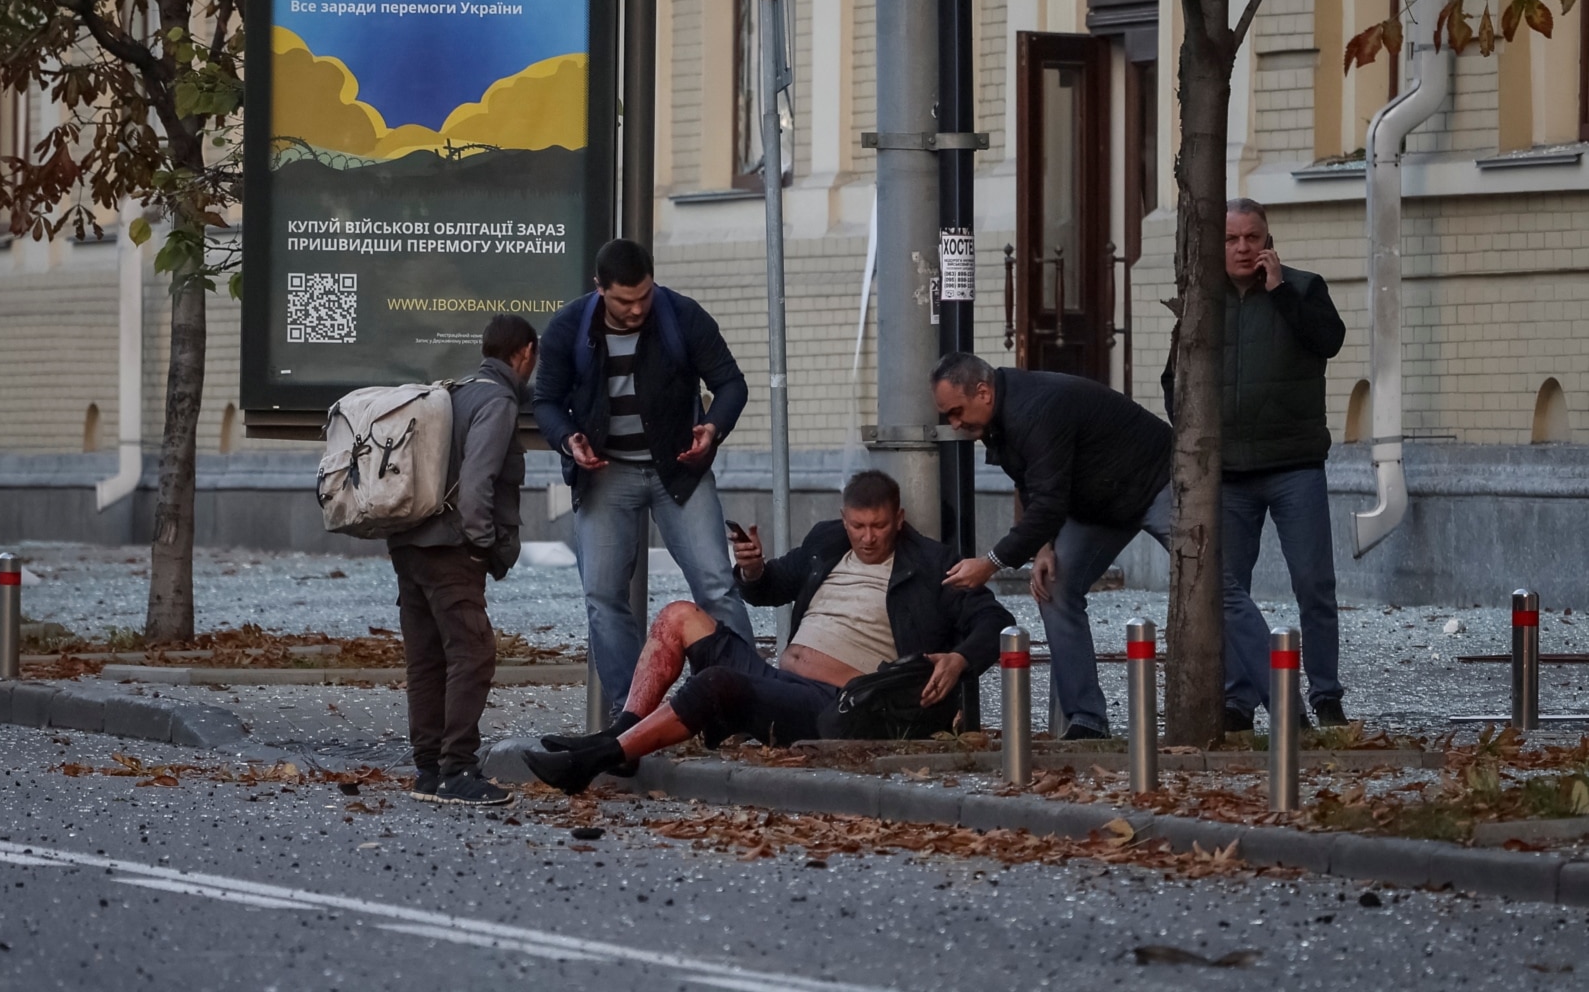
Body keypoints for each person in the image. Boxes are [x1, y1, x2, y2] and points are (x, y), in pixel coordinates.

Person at [524, 470, 1014, 794]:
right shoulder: (828, 541)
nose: (868, 537)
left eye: (879, 526)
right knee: (678, 614)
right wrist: (753, 569)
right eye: (858, 525)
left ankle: (598, 758)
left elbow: (993, 620)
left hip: (834, 703)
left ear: (899, 518)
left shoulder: (931, 564)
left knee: (715, 684)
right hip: (779, 679)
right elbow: (770, 587)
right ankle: (621, 738)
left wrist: (959, 660)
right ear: (844, 519)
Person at [931, 352, 1273, 739]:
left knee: (1216, 588)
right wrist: (1043, 547)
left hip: (1156, 481)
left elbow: (1048, 504)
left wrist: (991, 562)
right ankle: (1087, 721)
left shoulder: (1035, 409)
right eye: (947, 417)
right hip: (1100, 504)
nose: (954, 424)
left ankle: (1287, 711)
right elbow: (1032, 484)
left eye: (956, 412)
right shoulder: (998, 420)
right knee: (1054, 587)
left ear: (983, 392)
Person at [533, 238, 754, 719]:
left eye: (644, 296)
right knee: (602, 594)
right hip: (605, 472)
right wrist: (569, 440)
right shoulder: (569, 327)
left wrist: (713, 428)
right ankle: (631, 713)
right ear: (600, 288)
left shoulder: (682, 316)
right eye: (624, 301)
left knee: (716, 585)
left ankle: (745, 702)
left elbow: (731, 384)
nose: (636, 309)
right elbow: (545, 401)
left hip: (679, 469)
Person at [1164, 198, 1349, 728]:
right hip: (1227, 474)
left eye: (1253, 237)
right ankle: (1237, 701)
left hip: (1294, 464)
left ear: (1268, 240)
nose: (1243, 248)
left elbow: (1329, 341)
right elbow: (1175, 378)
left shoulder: (1303, 288)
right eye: (1231, 239)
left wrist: (1281, 291)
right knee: (1229, 591)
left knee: (1314, 584)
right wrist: (1192, 441)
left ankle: (1326, 695)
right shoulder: (1201, 300)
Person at [387, 314, 536, 806]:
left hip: (410, 543)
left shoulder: (454, 392)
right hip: (451, 550)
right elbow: (477, 482)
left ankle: (429, 771)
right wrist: (480, 544)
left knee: (427, 660)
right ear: (526, 353)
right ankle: (458, 770)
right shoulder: (497, 401)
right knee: (472, 654)